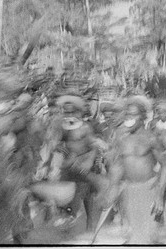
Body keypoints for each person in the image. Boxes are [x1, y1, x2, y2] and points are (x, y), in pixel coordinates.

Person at [104, 98, 166, 244]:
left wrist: (159, 195)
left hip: (149, 189)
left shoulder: (151, 138)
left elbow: (164, 165)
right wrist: (112, 189)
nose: (129, 118)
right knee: (132, 237)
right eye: (127, 115)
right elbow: (118, 166)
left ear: (142, 117)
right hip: (129, 190)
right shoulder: (121, 139)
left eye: (133, 115)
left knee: (151, 236)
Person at [55, 95, 109, 230]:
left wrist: (89, 161)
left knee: (86, 194)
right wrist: (61, 151)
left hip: (84, 164)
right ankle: (69, 217)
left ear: (77, 112)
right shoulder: (63, 127)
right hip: (69, 165)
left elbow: (95, 146)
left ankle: (89, 220)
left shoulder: (85, 127)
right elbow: (57, 144)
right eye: (66, 112)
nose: (69, 114)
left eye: (72, 112)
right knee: (65, 191)